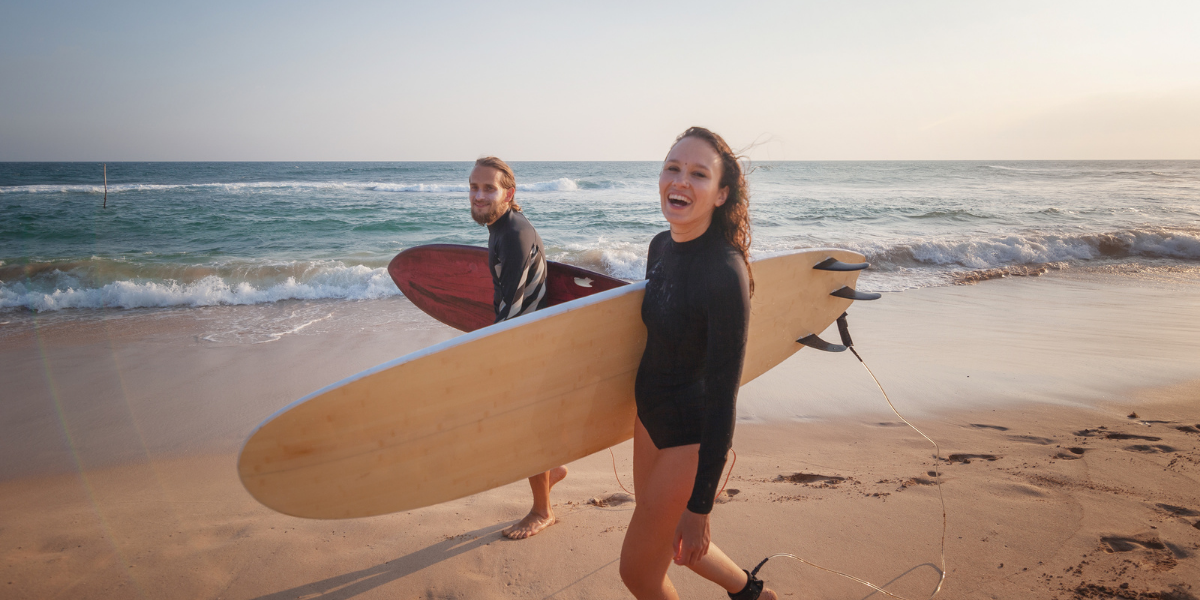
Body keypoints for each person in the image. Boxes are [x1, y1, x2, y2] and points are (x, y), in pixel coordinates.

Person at [619, 128, 777, 600]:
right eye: (673, 168)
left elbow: (724, 395)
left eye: (698, 174)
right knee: (670, 542)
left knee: (638, 574)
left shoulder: (725, 272)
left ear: (721, 193)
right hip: (648, 419)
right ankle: (749, 593)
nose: (680, 182)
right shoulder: (659, 247)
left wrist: (701, 505)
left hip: (690, 436)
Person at [468, 156, 568, 539]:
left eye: (488, 188)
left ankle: (543, 511)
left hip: (527, 342)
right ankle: (552, 471)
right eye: (474, 187)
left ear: (508, 193)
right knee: (531, 426)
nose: (479, 195)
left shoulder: (511, 235)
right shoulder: (502, 226)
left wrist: (489, 358)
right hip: (528, 334)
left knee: (527, 431)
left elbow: (511, 307)